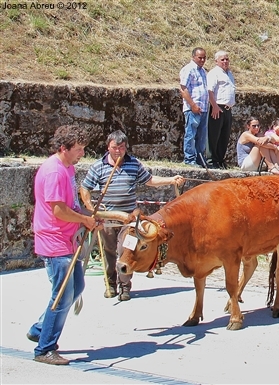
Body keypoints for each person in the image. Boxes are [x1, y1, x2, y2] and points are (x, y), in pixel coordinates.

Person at [80, 130, 185, 301]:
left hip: (129, 220)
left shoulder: (133, 164)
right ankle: (111, 284)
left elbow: (149, 180)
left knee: (126, 250)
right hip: (108, 217)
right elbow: (85, 188)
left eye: (122, 147)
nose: (118, 151)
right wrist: (91, 207)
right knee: (109, 252)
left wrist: (171, 180)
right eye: (115, 147)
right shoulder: (98, 166)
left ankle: (125, 287)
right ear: (108, 147)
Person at [29, 125, 98, 365]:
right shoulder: (54, 172)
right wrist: (83, 220)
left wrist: (84, 218)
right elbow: (58, 210)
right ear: (63, 148)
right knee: (62, 296)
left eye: (83, 149)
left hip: (67, 239)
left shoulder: (68, 168)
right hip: (53, 240)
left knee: (76, 287)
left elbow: (70, 203)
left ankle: (40, 328)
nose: (82, 153)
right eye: (78, 149)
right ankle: (45, 348)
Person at [179, 47, 209, 167]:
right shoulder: (188, 69)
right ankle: (189, 159)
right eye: (200, 57)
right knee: (191, 134)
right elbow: (183, 88)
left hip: (203, 108)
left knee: (201, 136)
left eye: (204, 58)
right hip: (193, 108)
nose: (202, 60)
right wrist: (192, 105)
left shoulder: (202, 71)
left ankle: (200, 159)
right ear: (193, 57)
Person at [206, 50, 236, 169]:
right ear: (216, 61)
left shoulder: (229, 74)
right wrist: (214, 106)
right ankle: (210, 160)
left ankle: (219, 159)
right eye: (222, 59)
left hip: (228, 109)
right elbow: (210, 91)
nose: (225, 62)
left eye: (226, 59)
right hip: (218, 106)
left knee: (224, 135)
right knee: (213, 134)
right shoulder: (214, 73)